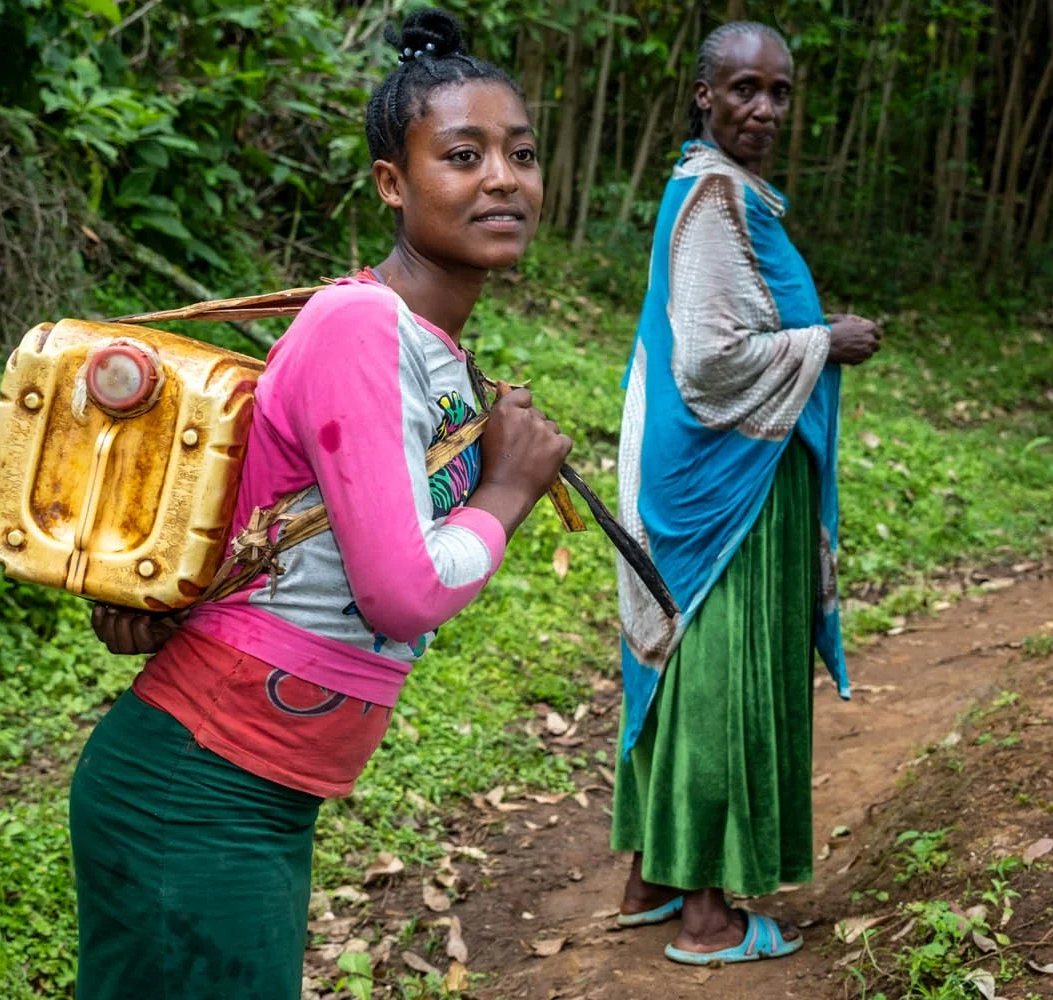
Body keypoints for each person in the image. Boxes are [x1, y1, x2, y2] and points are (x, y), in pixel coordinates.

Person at [69, 9, 570, 999]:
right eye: (462, 155)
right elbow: (402, 592)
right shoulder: (357, 326)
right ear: (393, 182)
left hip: (258, 789)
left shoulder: (432, 352)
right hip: (200, 784)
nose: (503, 179)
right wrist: (509, 490)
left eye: (520, 153)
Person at [609, 21, 882, 965]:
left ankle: (654, 876)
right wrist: (826, 341)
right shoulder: (714, 201)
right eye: (743, 90)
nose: (762, 108)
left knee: (685, 666)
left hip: (711, 474)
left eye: (777, 92)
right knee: (721, 678)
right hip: (726, 484)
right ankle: (709, 917)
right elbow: (714, 361)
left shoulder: (722, 191)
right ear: (704, 95)